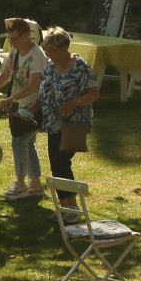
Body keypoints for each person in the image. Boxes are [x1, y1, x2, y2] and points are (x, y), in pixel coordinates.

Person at [0, 18, 48, 199]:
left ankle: (21, 183)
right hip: (18, 106)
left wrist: (8, 100)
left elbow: (33, 85)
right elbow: (5, 75)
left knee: (19, 142)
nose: (12, 42)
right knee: (27, 143)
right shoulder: (15, 51)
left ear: (26, 35)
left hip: (33, 105)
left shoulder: (36, 54)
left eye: (15, 39)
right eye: (10, 39)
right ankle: (36, 185)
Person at [37, 27, 98, 206]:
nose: (49, 56)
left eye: (52, 51)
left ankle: (72, 207)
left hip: (73, 123)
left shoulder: (80, 67)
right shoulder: (50, 66)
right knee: (56, 166)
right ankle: (67, 207)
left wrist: (74, 103)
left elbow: (93, 93)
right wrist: (28, 109)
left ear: (64, 48)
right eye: (46, 52)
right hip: (52, 123)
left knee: (61, 162)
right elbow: (43, 90)